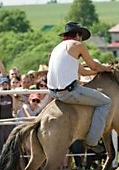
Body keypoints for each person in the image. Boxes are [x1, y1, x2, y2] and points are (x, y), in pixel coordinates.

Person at [47, 22, 111, 152]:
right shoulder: (78, 45)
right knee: (105, 102)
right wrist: (107, 69)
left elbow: (83, 71)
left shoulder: (59, 47)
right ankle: (92, 141)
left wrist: (99, 71)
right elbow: (93, 66)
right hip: (69, 92)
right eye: (81, 35)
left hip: (53, 92)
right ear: (78, 35)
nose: (81, 38)